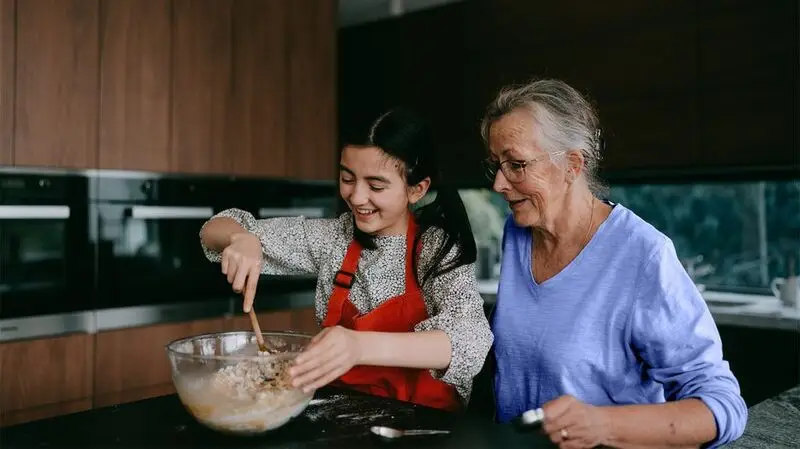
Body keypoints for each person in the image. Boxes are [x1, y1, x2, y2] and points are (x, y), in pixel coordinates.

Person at [481, 79, 747, 448]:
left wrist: (601, 424)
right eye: (496, 164)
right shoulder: (519, 230)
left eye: (516, 165)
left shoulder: (642, 254)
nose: (498, 184)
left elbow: (721, 406)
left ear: (572, 164)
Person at [199, 107, 493, 412]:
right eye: (347, 178)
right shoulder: (334, 239)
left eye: (376, 186)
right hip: (341, 418)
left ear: (417, 189)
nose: (356, 197)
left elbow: (471, 339)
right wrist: (240, 239)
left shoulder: (437, 248)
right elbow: (215, 228)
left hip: (425, 427)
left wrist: (359, 346)